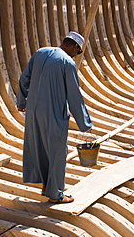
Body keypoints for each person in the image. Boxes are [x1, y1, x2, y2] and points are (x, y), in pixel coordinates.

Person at [16, 32, 93, 203]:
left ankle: (45, 186)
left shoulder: (40, 52)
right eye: (78, 52)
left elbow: (24, 79)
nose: (76, 54)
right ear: (74, 47)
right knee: (57, 152)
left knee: (40, 149)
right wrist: (85, 123)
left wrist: (22, 101)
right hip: (53, 113)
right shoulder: (67, 63)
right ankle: (56, 194)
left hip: (33, 112)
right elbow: (74, 96)